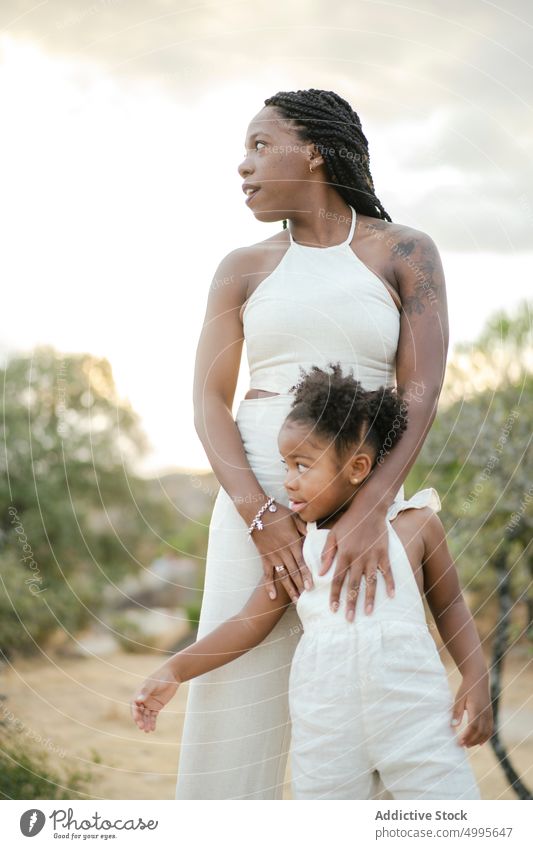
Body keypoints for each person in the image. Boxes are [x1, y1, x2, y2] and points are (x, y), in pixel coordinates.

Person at [175, 88, 450, 799]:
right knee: (234, 708)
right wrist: (259, 514)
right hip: (255, 495)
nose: (243, 165)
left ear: (316, 150)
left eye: (260, 145)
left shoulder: (404, 251)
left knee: (370, 691)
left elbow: (418, 390)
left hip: (367, 490)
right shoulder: (242, 266)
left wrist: (370, 507)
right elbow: (209, 398)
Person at [131, 365, 492, 800]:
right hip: (326, 730)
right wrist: (174, 669)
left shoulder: (416, 525)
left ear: (358, 467)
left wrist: (476, 676)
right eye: (285, 465)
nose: (287, 481)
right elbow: (249, 622)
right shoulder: (299, 547)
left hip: (416, 719)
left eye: (302, 465)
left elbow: (451, 605)